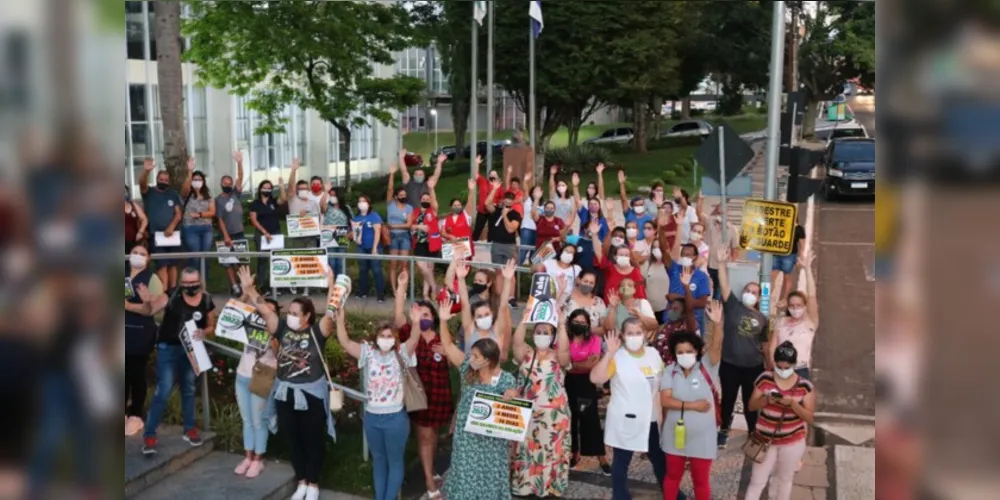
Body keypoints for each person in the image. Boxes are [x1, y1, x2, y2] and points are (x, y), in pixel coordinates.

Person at [238, 268, 338, 500]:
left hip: (311, 394)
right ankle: (301, 481)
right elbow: (264, 309)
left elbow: (331, 313)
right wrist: (250, 290)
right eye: (289, 311)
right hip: (285, 394)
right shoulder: (282, 328)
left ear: (307, 317)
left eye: (295, 312)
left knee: (312, 439)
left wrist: (331, 284)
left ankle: (313, 483)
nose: (290, 315)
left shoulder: (317, 332)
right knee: (293, 439)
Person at [334, 306, 418, 500]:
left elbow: (414, 339)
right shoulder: (368, 352)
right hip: (372, 418)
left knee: (395, 462)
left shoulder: (401, 353)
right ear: (376, 337)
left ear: (395, 339)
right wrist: (340, 321)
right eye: (382, 335)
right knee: (379, 461)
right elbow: (345, 342)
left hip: (395, 418)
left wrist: (415, 323)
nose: (386, 339)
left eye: (390, 335)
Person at [590, 321, 680, 500]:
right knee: (621, 463)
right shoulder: (617, 357)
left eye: (638, 332)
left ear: (646, 334)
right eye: (629, 333)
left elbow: (659, 387)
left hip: (651, 418)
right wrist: (609, 353)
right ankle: (621, 496)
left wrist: (662, 418)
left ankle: (673, 494)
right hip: (627, 419)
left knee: (659, 459)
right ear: (622, 336)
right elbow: (595, 378)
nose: (634, 337)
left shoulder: (653, 354)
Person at [135, 267, 217, 455]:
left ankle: (189, 428)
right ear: (180, 283)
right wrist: (148, 301)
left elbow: (211, 324)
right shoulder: (172, 296)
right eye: (186, 283)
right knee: (163, 390)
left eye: (193, 282)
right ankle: (149, 434)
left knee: (188, 388)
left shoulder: (206, 300)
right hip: (168, 348)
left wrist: (204, 332)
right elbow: (152, 309)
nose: (190, 286)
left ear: (200, 282)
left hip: (191, 350)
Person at [436, 314, 517, 500]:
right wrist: (442, 320)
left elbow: (514, 403)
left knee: (489, 477)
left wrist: (512, 395)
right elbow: (448, 346)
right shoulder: (467, 369)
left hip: (492, 442)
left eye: (475, 356)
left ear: (488, 360)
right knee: (465, 475)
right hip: (466, 438)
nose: (471, 358)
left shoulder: (506, 379)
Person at [393, 273, 452, 499]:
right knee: (425, 437)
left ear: (434, 317)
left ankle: (432, 469)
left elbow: (457, 360)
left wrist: (447, 353)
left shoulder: (442, 337)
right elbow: (398, 315)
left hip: (439, 395)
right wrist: (401, 287)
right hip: (419, 396)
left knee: (433, 435)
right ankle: (429, 483)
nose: (424, 317)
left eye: (427, 314)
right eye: (420, 314)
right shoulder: (411, 333)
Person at [659, 301, 725, 500]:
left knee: (701, 480)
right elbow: (665, 401)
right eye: (680, 352)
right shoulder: (670, 371)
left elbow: (716, 345)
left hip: (702, 437)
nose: (684, 355)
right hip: (674, 434)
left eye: (689, 351)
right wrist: (693, 406)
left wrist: (717, 324)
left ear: (697, 352)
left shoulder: (707, 367)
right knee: (672, 476)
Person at [510, 304, 572, 497]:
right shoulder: (527, 354)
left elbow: (565, 347)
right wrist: (524, 320)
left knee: (553, 451)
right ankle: (526, 486)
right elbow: (516, 343)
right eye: (538, 331)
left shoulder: (559, 357)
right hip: (529, 414)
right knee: (527, 451)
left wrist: (561, 325)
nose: (542, 335)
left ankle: (551, 486)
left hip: (555, 417)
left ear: (553, 336)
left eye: (546, 332)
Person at [744, 342, 816, 500]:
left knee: (784, 480)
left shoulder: (805, 386)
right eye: (780, 366)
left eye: (787, 367)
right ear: (774, 363)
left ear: (794, 365)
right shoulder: (764, 379)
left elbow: (809, 417)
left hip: (792, 442)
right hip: (764, 440)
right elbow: (751, 405)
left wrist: (792, 404)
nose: (783, 370)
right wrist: (766, 400)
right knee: (757, 481)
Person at [715, 246, 770, 449]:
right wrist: (721, 263)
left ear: (758, 298)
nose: (750, 294)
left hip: (753, 367)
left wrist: (769, 366)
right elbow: (724, 285)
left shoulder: (763, 319)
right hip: (729, 364)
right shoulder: (733, 306)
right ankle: (723, 430)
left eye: (754, 292)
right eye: (748, 290)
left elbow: (764, 344)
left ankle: (752, 431)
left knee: (750, 402)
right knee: (727, 400)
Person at [232, 288, 279, 478]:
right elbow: (234, 312)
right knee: (247, 420)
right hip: (242, 375)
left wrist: (272, 333)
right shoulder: (250, 325)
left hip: (263, 377)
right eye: (263, 310)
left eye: (270, 312)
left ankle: (258, 459)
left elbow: (279, 354)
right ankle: (248, 457)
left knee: (260, 420)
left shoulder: (278, 331)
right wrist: (245, 291)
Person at [123, 244, 163, 437]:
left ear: (148, 259)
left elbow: (150, 309)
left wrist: (129, 306)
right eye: (135, 253)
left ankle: (136, 415)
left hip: (140, 334)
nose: (137, 256)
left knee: (135, 374)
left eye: (142, 254)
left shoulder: (152, 279)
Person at [565, 309, 610, 473]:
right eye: (576, 321)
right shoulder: (564, 340)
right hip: (567, 382)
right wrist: (579, 364)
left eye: (583, 322)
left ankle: (601, 456)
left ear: (588, 325)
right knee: (571, 418)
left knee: (590, 419)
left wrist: (571, 364)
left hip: (587, 382)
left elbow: (592, 364)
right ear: (570, 322)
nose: (579, 325)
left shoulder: (594, 340)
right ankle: (574, 453)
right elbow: (560, 360)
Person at [769, 250, 819, 380]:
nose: (795, 308)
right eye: (792, 306)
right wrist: (775, 366)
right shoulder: (781, 322)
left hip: (800, 370)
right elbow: (772, 346)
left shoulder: (810, 322)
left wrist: (807, 269)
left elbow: (812, 296)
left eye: (799, 305)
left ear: (804, 306)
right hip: (780, 369)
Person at [660, 215, 711, 334]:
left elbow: (702, 303)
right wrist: (661, 229)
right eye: (683, 255)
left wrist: (678, 297)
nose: (685, 258)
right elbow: (664, 250)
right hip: (672, 318)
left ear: (695, 257)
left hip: (693, 322)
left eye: (689, 255)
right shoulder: (674, 269)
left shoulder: (701, 276)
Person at [457, 259, 515, 362]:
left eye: (487, 314)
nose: (476, 283)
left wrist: (507, 280)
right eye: (479, 315)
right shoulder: (470, 330)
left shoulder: (496, 331)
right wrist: (461, 278)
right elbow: (465, 303)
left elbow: (503, 308)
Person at [138, 158, 183, 289]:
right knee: (162, 264)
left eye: (166, 180)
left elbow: (178, 213)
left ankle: (172, 291)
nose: (163, 181)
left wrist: (171, 227)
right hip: (155, 235)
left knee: (173, 264)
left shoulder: (173, 194)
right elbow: (142, 183)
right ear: (157, 179)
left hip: (172, 235)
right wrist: (146, 171)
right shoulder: (149, 192)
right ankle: (163, 291)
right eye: (161, 179)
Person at [285, 159, 324, 295]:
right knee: (297, 260)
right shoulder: (293, 199)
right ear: (297, 190)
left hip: (311, 236)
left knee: (309, 261)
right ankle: (294, 283)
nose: (303, 190)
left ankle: (306, 289)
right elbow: (289, 187)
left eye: (305, 188)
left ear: (308, 190)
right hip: (297, 236)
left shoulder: (313, 203)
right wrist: (293, 170)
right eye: (300, 189)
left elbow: (318, 218)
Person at [592, 220, 647, 301]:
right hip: (610, 308)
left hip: (629, 310)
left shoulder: (635, 272)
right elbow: (599, 253)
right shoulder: (610, 268)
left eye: (626, 255)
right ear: (615, 257)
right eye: (621, 255)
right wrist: (594, 235)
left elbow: (641, 296)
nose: (624, 257)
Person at [179, 161, 217, 281]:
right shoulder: (187, 194)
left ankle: (203, 283)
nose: (197, 181)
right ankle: (192, 281)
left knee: (205, 257)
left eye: (199, 179)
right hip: (190, 229)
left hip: (206, 229)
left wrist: (200, 214)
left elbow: (212, 212)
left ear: (203, 182)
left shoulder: (209, 196)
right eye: (195, 179)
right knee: (194, 256)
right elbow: (185, 188)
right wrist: (190, 170)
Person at [249, 178, 286, 298]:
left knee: (276, 260)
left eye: (269, 187)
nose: (267, 189)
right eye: (265, 187)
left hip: (275, 233)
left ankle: (275, 285)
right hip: (262, 235)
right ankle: (262, 287)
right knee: (263, 261)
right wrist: (264, 232)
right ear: (260, 189)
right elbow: (253, 220)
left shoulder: (273, 202)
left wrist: (281, 186)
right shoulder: (255, 204)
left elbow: (283, 199)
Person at [215, 151, 246, 296]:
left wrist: (239, 162)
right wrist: (226, 236)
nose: (227, 185)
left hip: (239, 233)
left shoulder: (235, 194)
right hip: (226, 235)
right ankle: (234, 285)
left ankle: (244, 284)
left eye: (229, 183)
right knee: (228, 262)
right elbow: (219, 218)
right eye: (225, 183)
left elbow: (240, 178)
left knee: (242, 261)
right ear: (221, 184)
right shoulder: (218, 200)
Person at [485, 187, 521, 305]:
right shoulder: (496, 211)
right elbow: (487, 203)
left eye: (511, 200)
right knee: (499, 272)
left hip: (509, 246)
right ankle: (500, 297)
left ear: (513, 202)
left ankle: (511, 298)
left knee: (510, 273)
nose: (508, 202)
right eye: (506, 199)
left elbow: (511, 229)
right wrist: (494, 189)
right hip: (496, 245)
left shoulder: (515, 214)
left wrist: (505, 216)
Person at [650, 289, 700, 366]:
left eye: (675, 309)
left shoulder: (688, 326)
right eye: (671, 308)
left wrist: (683, 293)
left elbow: (690, 308)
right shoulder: (664, 327)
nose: (671, 311)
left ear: (684, 313)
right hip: (662, 369)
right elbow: (654, 346)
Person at [702, 203, 740, 300]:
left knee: (718, 292)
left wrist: (732, 265)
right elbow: (699, 213)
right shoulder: (710, 223)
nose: (720, 215)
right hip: (706, 264)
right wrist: (700, 200)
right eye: (719, 212)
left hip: (721, 266)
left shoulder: (732, 230)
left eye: (723, 212)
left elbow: (735, 248)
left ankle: (716, 309)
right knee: (704, 290)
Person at [386, 163, 415, 287]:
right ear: (396, 197)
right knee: (393, 264)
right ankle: (394, 289)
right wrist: (392, 174)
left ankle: (403, 288)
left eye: (405, 195)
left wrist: (393, 226)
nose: (403, 197)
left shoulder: (409, 208)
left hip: (404, 237)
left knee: (404, 264)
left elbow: (409, 225)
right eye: (401, 195)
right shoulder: (390, 205)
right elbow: (390, 189)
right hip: (392, 237)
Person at [409, 192, 442, 300]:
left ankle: (425, 295)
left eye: (428, 199)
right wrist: (420, 226)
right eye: (424, 199)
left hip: (431, 243)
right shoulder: (415, 212)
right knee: (423, 268)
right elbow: (410, 225)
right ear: (420, 200)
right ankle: (434, 287)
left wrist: (432, 188)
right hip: (419, 243)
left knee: (429, 269)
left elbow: (436, 205)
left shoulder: (432, 211)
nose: (426, 201)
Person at [353, 195, 386, 301]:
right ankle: (363, 292)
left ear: (368, 203)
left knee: (376, 270)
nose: (361, 203)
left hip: (374, 247)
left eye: (364, 201)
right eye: (359, 201)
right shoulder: (357, 217)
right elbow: (354, 232)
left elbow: (377, 232)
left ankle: (380, 294)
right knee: (363, 270)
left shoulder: (374, 216)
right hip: (361, 247)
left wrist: (375, 248)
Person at [562, 270, 609, 334]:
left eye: (591, 283)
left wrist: (584, 330)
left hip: (590, 341)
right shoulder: (566, 297)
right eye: (585, 281)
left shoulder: (599, 302)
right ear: (579, 280)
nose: (588, 284)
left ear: (595, 285)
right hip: (566, 340)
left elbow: (604, 329)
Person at [442, 179, 477, 262]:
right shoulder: (446, 219)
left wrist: (471, 190)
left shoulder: (466, 215)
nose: (457, 206)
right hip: (451, 247)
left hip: (464, 247)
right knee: (452, 270)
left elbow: (470, 203)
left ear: (461, 206)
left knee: (463, 269)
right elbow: (442, 232)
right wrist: (450, 236)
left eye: (458, 205)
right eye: (454, 205)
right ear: (451, 207)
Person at [771, 224, 807, 304]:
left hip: (789, 255)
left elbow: (802, 245)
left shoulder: (798, 228)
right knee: (771, 277)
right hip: (776, 253)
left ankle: (785, 299)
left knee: (786, 277)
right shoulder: (779, 223)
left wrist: (801, 257)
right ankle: (765, 298)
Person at [574, 194, 610, 274]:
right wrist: (575, 186)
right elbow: (577, 200)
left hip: (596, 247)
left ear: (599, 206)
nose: (593, 205)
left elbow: (605, 237)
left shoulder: (603, 220)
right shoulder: (584, 213)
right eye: (590, 204)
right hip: (582, 244)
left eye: (595, 204)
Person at [323, 185, 353, 279]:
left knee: (341, 262)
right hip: (329, 237)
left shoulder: (346, 208)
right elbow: (321, 205)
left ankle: (341, 284)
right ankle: (332, 283)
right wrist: (325, 191)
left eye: (334, 195)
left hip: (342, 236)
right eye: (330, 195)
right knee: (331, 262)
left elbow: (352, 223)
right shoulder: (327, 207)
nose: (332, 197)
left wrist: (351, 233)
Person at [472, 156, 504, 241]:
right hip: (482, 210)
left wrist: (496, 204)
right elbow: (476, 175)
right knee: (478, 229)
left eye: (495, 175)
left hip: (492, 210)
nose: (493, 176)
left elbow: (502, 199)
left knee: (492, 230)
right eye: (491, 174)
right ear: (488, 175)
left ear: (497, 176)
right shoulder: (483, 181)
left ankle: (490, 244)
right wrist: (476, 164)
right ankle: (473, 244)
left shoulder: (499, 187)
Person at [642, 237, 671, 323]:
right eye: (654, 247)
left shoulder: (670, 266)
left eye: (659, 247)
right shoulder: (647, 265)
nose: (657, 250)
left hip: (666, 308)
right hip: (650, 307)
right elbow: (642, 284)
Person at [617, 171, 653, 240]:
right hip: (629, 242)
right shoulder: (629, 213)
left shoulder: (648, 218)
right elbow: (623, 199)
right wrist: (622, 184)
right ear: (632, 207)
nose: (639, 206)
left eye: (641, 204)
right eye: (637, 205)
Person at [519, 180, 542, 263]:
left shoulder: (543, 205)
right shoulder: (528, 200)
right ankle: (515, 273)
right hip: (527, 229)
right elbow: (525, 189)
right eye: (536, 190)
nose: (537, 192)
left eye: (539, 190)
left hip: (538, 231)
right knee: (523, 251)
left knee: (534, 254)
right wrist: (525, 181)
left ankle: (529, 275)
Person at [125, 186, 148, 253]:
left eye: (125, 191)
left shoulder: (133, 205)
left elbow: (144, 219)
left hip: (135, 241)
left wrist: (141, 231)